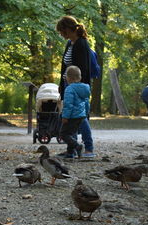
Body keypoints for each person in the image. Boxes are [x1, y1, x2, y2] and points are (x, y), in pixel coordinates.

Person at [56, 16, 95, 158]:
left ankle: (88, 148)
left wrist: (79, 90)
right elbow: (64, 67)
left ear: (68, 29)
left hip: (78, 87)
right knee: (72, 118)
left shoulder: (81, 44)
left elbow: (83, 70)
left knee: (80, 117)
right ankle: (71, 149)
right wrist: (62, 86)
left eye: (62, 31)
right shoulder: (70, 43)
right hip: (69, 85)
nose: (61, 34)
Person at [60, 66, 90, 159]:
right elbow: (86, 103)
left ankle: (77, 146)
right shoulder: (84, 89)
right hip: (81, 116)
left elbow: (68, 105)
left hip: (72, 116)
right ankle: (70, 154)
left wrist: (65, 116)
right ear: (80, 77)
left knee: (64, 134)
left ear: (69, 78)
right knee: (71, 134)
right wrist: (85, 113)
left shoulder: (69, 89)